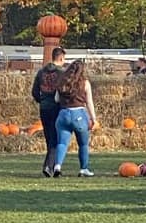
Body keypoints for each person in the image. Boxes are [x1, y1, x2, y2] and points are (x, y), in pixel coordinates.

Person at [52, 59, 98, 178]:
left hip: (63, 114)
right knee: (83, 144)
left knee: (62, 143)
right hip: (79, 115)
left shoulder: (62, 82)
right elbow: (89, 102)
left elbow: (56, 99)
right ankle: (84, 169)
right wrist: (94, 119)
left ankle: (57, 166)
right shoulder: (85, 83)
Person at [31, 46, 66, 177]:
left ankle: (51, 166)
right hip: (57, 108)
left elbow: (34, 91)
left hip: (44, 108)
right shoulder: (62, 73)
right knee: (56, 138)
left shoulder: (41, 73)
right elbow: (64, 91)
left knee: (49, 137)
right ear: (61, 58)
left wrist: (42, 101)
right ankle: (49, 166)